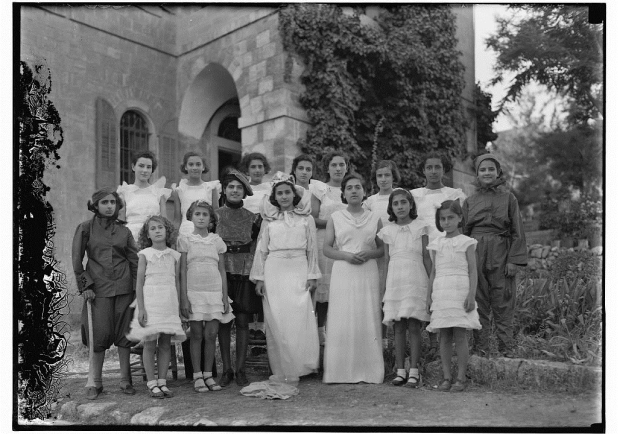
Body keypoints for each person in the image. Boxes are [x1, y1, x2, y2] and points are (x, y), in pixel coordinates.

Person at [250, 172, 321, 384]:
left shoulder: (306, 219)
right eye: (279, 193)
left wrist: (312, 275)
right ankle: (283, 367)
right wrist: (260, 278)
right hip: (275, 270)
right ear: (274, 197)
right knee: (277, 319)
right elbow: (261, 251)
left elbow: (312, 249)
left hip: (299, 268)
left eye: (287, 192)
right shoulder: (268, 221)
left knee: (299, 317)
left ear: (294, 194)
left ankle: (301, 366)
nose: (283, 196)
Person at [72, 187, 139, 400]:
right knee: (98, 334)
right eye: (105, 202)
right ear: (95, 206)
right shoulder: (85, 228)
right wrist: (86, 287)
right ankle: (95, 382)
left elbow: (134, 261)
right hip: (98, 289)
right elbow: (77, 261)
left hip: (124, 287)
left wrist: (138, 289)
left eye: (113, 202)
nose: (110, 206)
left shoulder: (124, 232)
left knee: (124, 334)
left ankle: (125, 380)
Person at [462, 154, 527, 358]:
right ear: (477, 174)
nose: (487, 173)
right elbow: (463, 231)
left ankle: (506, 347)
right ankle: (481, 347)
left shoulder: (509, 198)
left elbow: (518, 229)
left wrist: (514, 260)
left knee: (503, 297)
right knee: (478, 296)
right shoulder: (470, 200)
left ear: (498, 172)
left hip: (501, 249)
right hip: (475, 249)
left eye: (491, 169)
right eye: (483, 169)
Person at [322, 173, 384, 384]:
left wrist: (370, 253)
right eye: (349, 188)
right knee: (343, 317)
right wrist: (347, 255)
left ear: (364, 192)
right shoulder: (336, 218)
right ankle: (340, 372)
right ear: (344, 193)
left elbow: (383, 248)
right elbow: (327, 249)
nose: (354, 191)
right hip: (344, 270)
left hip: (367, 271)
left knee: (366, 315)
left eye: (358, 187)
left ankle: (369, 371)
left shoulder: (375, 218)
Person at [126, 216, 186, 398]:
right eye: (153, 228)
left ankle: (162, 381)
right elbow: (139, 283)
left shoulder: (175, 255)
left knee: (166, 343)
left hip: (168, 301)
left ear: (168, 231)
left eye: (161, 227)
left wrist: (177, 306)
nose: (158, 231)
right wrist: (142, 308)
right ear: (147, 234)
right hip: (151, 301)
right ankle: (151, 382)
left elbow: (176, 281)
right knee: (150, 341)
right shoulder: (145, 254)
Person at [378, 189, 431, 387]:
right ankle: (400, 371)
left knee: (414, 326)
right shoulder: (387, 231)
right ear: (391, 207)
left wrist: (431, 287)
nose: (400, 207)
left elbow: (426, 258)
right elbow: (386, 260)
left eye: (403, 202)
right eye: (396, 203)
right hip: (396, 281)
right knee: (398, 327)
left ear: (411, 204)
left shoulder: (421, 227)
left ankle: (414, 371)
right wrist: (383, 289)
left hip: (416, 279)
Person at [178, 200, 233, 392]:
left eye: (205, 215)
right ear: (191, 217)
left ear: (211, 219)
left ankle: (209, 375)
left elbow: (222, 271)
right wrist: (184, 298)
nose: (201, 218)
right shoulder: (185, 240)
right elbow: (183, 271)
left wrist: (224, 297)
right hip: (194, 292)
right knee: (196, 334)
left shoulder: (216, 241)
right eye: (197, 214)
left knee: (211, 334)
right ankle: (197, 376)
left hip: (214, 292)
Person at [426, 200, 481, 392]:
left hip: (460, 289)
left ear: (460, 218)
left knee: (460, 333)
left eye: (450, 218)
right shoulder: (436, 244)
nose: (446, 222)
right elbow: (433, 271)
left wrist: (471, 295)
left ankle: (461, 377)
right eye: (442, 219)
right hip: (442, 290)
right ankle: (447, 376)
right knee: (444, 335)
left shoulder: (467, 242)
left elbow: (473, 270)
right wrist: (429, 296)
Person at [215, 170, 262, 387]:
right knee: (224, 321)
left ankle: (241, 369)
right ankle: (227, 369)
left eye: (239, 187)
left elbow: (258, 246)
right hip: (221, 272)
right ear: (224, 190)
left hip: (244, 271)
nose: (234, 190)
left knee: (242, 321)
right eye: (231, 186)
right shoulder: (214, 215)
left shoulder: (253, 218)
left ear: (244, 191)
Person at [310, 151, 348, 346]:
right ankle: (318, 331)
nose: (338, 168)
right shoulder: (319, 189)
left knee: (339, 288)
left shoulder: (351, 189)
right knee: (322, 289)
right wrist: (336, 224)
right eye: (334, 165)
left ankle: (337, 332)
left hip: (344, 244)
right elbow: (313, 218)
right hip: (323, 241)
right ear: (327, 168)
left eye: (342, 165)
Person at [364, 160, 400, 348]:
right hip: (379, 255)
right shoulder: (370, 201)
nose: (384, 179)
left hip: (400, 250)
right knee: (380, 295)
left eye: (387, 175)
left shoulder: (401, 196)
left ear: (394, 176)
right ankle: (383, 342)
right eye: (380, 175)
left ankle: (402, 341)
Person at [239, 152, 270, 342]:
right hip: (247, 239)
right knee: (249, 281)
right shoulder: (243, 188)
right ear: (247, 170)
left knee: (264, 280)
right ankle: (251, 326)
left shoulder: (271, 188)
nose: (257, 170)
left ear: (265, 169)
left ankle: (263, 327)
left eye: (260, 166)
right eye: (253, 167)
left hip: (265, 236)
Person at [117, 150, 171, 242]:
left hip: (153, 239)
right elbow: (120, 221)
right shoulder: (125, 192)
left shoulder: (158, 193)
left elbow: (164, 221)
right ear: (133, 167)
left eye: (148, 167)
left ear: (152, 170)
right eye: (141, 166)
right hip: (131, 239)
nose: (145, 170)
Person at [411, 153, 466, 242]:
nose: (433, 171)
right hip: (421, 244)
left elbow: (459, 226)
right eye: (429, 168)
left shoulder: (454, 195)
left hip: (448, 243)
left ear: (443, 170)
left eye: (437, 167)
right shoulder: (414, 195)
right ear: (424, 170)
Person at [171, 151, 220, 236]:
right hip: (185, 233)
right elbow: (177, 219)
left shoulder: (211, 188)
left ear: (203, 167)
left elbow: (217, 216)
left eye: (198, 164)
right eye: (191, 164)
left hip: (205, 233)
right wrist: (173, 239)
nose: (194, 168)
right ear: (186, 167)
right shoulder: (179, 190)